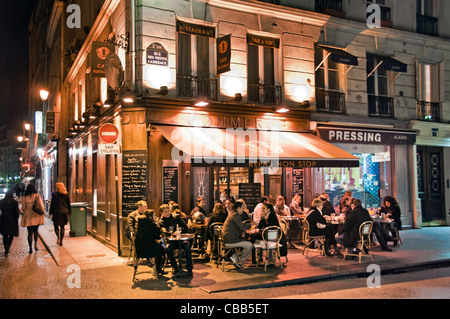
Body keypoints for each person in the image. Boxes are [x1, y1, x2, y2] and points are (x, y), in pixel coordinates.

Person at [160, 204, 194, 277]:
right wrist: (172, 233)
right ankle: (176, 268)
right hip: (172, 241)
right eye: (165, 212)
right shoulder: (162, 221)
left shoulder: (176, 217)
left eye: (168, 211)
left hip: (181, 240)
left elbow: (185, 227)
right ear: (161, 213)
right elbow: (164, 232)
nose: (167, 213)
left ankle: (189, 269)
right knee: (168, 249)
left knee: (187, 246)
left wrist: (181, 234)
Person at [221, 201, 255, 269]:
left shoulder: (233, 214)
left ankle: (235, 258)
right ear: (238, 208)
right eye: (242, 208)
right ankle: (238, 260)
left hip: (228, 238)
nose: (243, 210)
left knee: (246, 242)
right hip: (230, 240)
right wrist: (251, 225)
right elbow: (241, 226)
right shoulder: (235, 215)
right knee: (249, 245)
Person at [20, 184, 45, 253]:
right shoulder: (37, 196)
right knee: (36, 231)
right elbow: (41, 205)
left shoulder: (25, 197)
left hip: (28, 217)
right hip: (36, 216)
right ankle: (35, 245)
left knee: (30, 233)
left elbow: (23, 208)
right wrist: (43, 211)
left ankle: (30, 248)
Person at [49, 182, 71, 246]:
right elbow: (68, 204)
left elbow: (52, 204)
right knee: (62, 227)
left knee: (56, 226)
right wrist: (69, 211)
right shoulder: (66, 194)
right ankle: (61, 241)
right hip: (64, 212)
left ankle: (58, 237)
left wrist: (50, 212)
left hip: (57, 212)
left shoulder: (54, 194)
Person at [0, 189, 20, 255]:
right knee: (11, 235)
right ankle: (8, 245)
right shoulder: (15, 203)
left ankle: (6, 246)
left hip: (4, 220)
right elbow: (16, 212)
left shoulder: (2, 202)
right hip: (12, 221)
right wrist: (16, 218)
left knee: (5, 235)